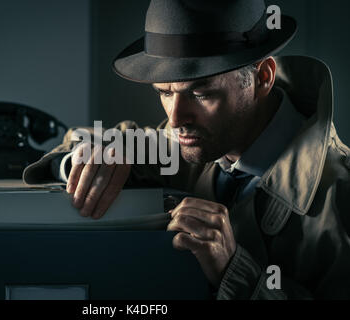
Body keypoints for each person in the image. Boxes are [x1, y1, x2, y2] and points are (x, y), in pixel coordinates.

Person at [23, 0, 350, 299]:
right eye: (164, 92)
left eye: (201, 94)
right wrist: (84, 162)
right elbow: (88, 142)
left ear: (262, 78)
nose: (176, 119)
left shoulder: (341, 197)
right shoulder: (178, 145)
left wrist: (234, 270)